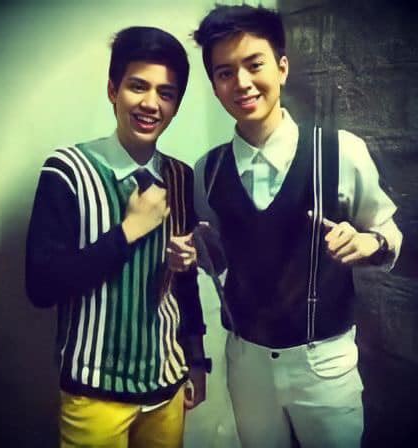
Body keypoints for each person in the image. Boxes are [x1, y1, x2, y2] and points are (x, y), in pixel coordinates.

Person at [169, 4, 403, 448]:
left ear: (281, 67)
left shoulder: (342, 152)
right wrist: (194, 253)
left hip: (324, 364)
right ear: (215, 86)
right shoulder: (207, 171)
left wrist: (369, 242)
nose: (241, 82)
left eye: (254, 64)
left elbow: (388, 231)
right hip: (246, 362)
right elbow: (219, 254)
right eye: (224, 73)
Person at [26, 26, 210, 448]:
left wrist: (197, 360)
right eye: (138, 86)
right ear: (113, 90)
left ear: (176, 105)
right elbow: (41, 286)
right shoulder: (66, 170)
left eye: (166, 93)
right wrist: (128, 231)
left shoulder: (181, 177)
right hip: (94, 391)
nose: (151, 103)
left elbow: (184, 284)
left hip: (167, 383)